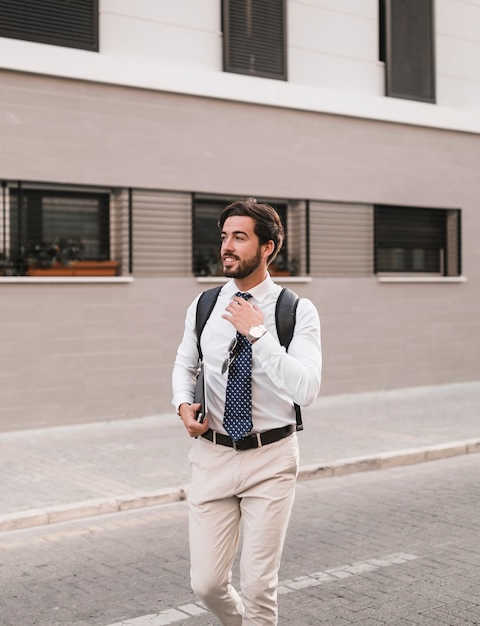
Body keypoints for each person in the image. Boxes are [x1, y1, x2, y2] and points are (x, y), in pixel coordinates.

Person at [172, 198, 322, 625]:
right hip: (213, 455)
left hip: (271, 458)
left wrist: (258, 333)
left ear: (268, 247)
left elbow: (306, 389)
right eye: (224, 237)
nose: (227, 247)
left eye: (239, 237)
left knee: (259, 587)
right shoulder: (203, 306)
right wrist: (182, 404)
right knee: (207, 584)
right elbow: (184, 365)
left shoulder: (295, 311)